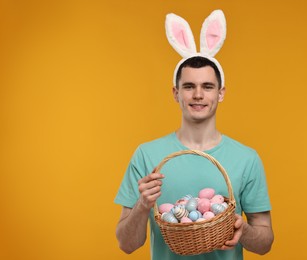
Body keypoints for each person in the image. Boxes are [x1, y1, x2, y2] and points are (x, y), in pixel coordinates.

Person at [114, 10, 273, 260]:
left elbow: (265, 243)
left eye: (207, 87)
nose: (198, 95)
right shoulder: (147, 155)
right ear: (176, 93)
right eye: (189, 86)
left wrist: (243, 231)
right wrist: (142, 206)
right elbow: (126, 244)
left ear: (220, 93)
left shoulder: (246, 158)